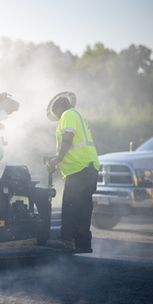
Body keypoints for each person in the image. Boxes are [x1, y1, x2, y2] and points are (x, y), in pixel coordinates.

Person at [46, 92, 100, 252]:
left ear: (59, 107)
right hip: (89, 168)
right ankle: (83, 243)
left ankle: (67, 240)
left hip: (78, 169)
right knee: (83, 208)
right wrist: (56, 156)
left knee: (70, 206)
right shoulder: (78, 115)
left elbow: (67, 139)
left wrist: (57, 160)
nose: (56, 117)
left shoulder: (67, 114)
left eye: (55, 113)